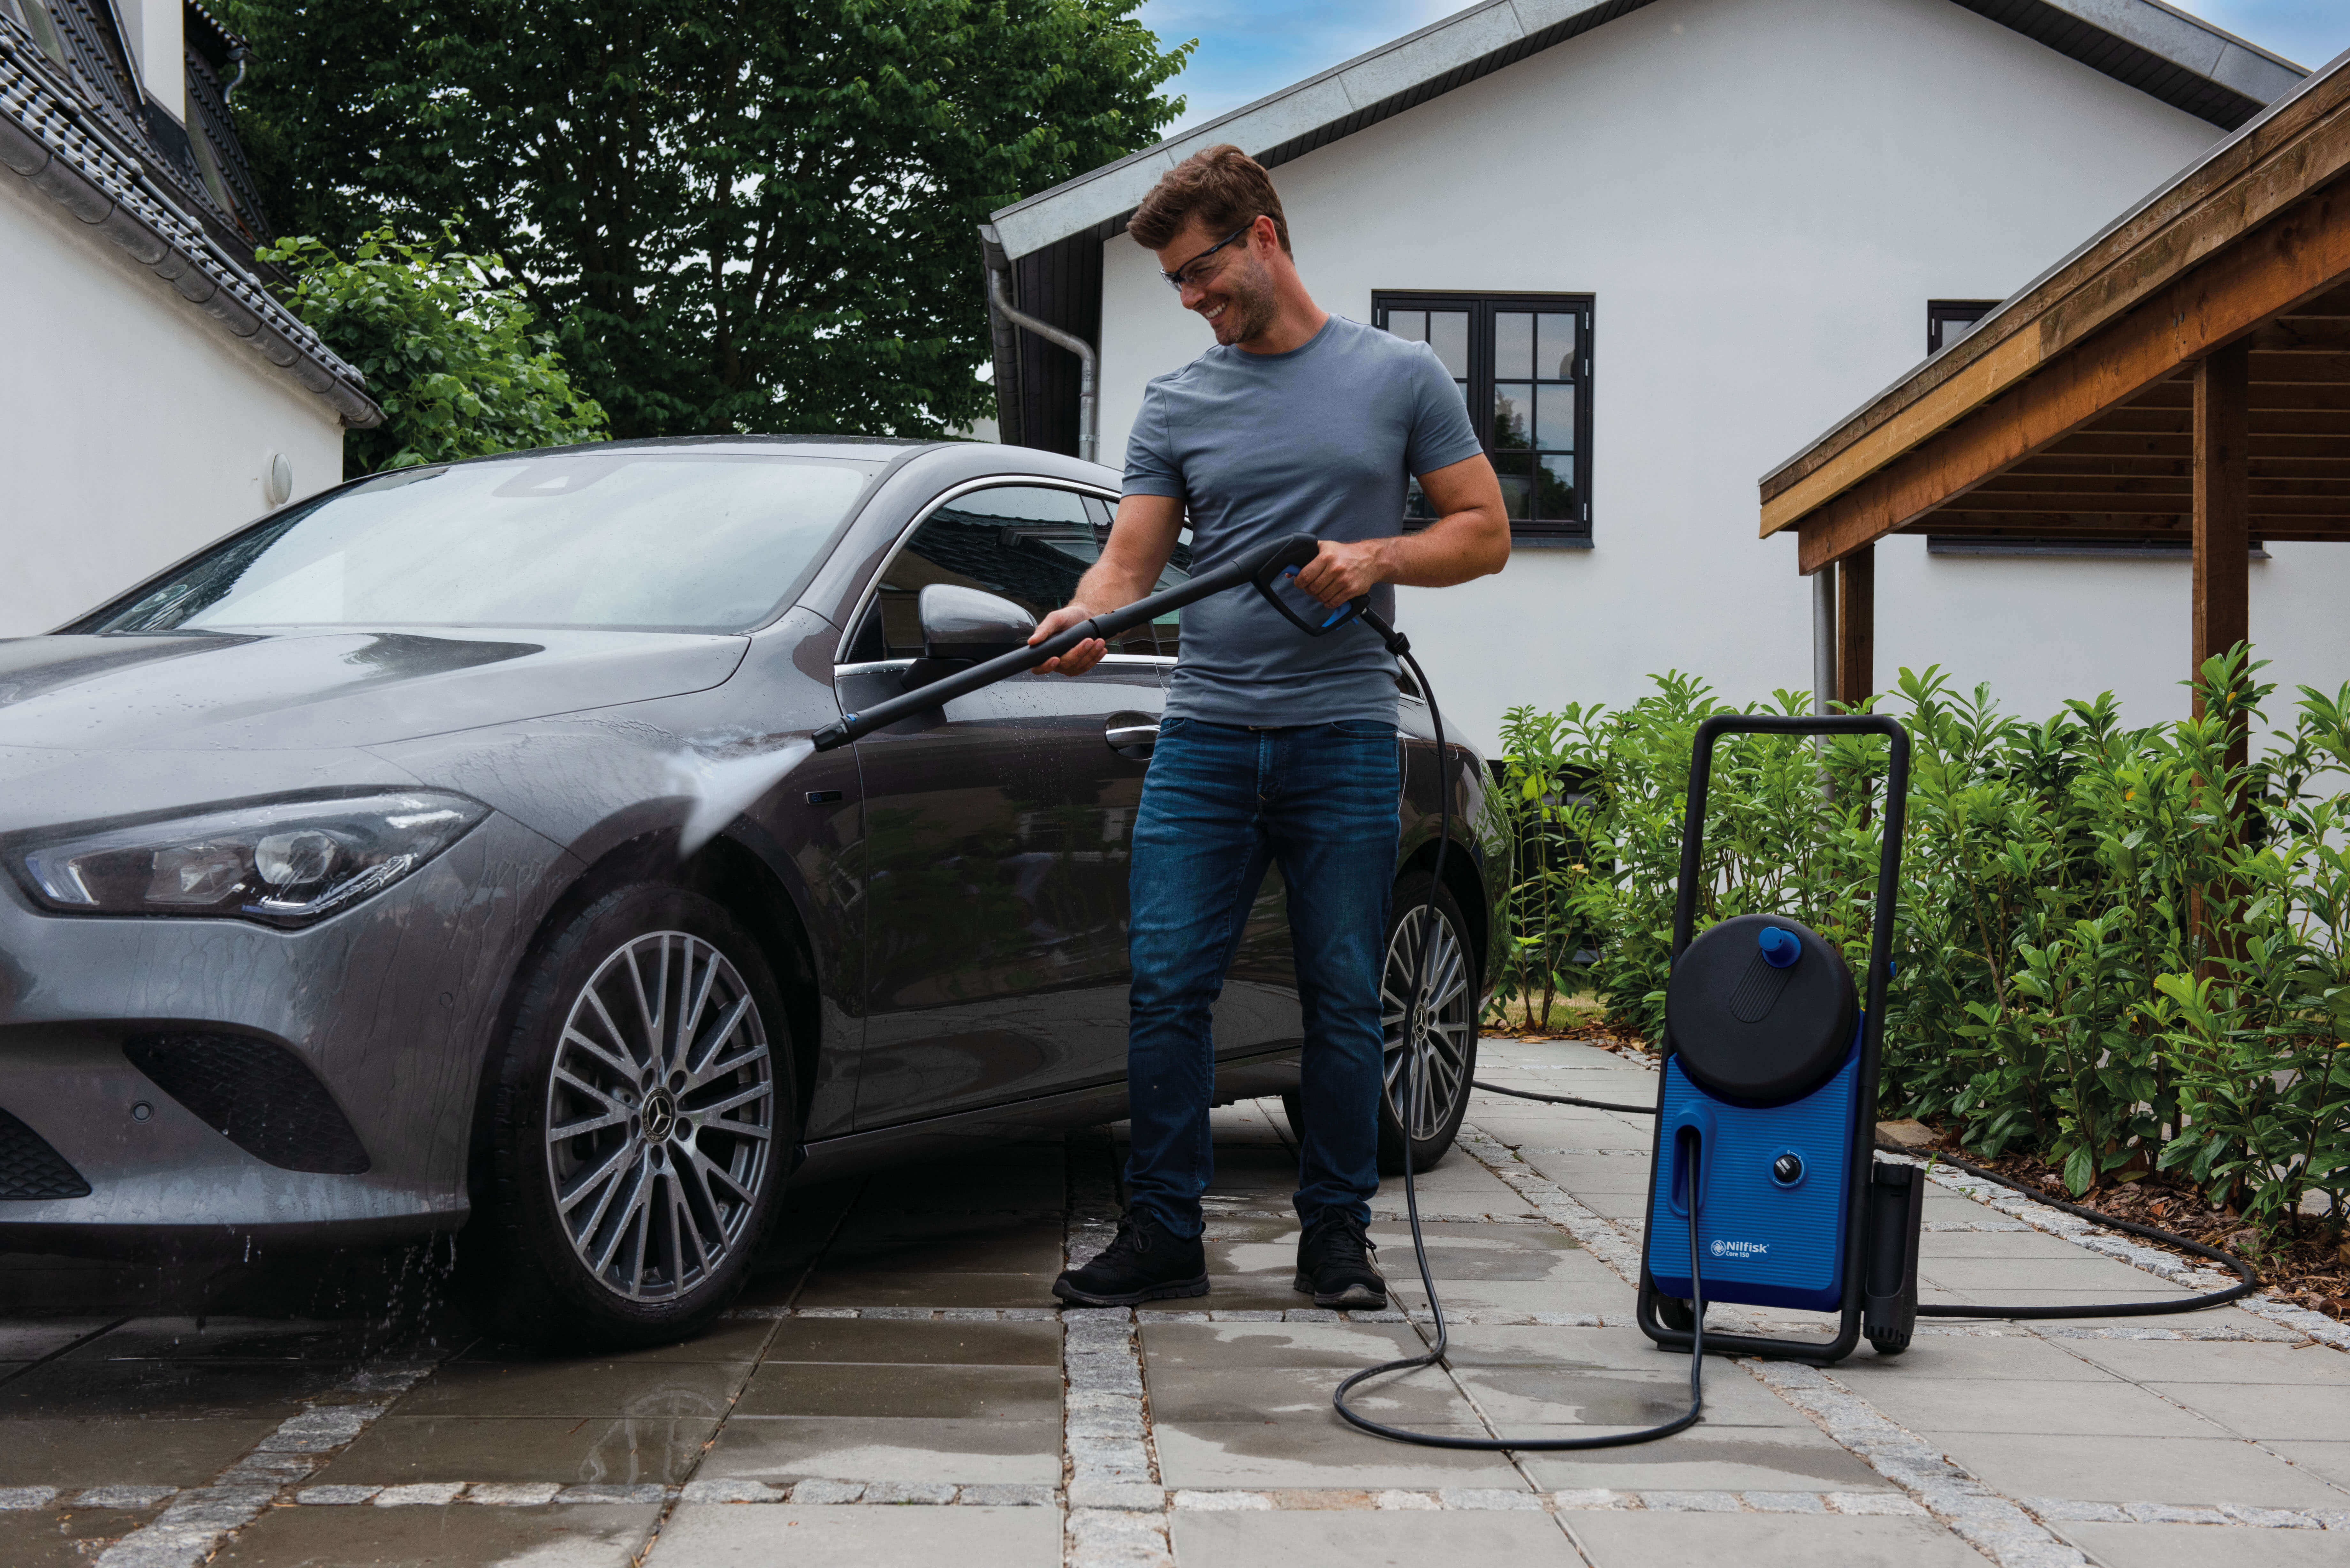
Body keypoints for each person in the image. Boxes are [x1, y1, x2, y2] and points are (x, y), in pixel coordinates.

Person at [1038, 145, 1508, 1310]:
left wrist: (1377, 558)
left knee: (1345, 994)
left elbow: (1484, 529)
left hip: (1342, 737)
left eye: (1201, 273)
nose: (1192, 300)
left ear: (1262, 236)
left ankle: (1336, 1243)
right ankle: (1163, 1235)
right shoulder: (1179, 403)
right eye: (1175, 289)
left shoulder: (1400, 378)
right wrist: (1083, 617)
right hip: (1202, 738)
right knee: (1165, 988)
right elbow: (1126, 564)